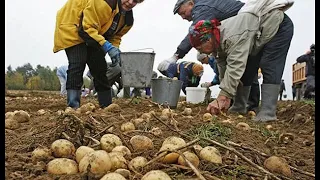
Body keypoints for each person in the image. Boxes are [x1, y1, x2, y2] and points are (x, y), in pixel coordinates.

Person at [188, 0, 294, 122]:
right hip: (256, 36)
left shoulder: (231, 36)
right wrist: (224, 96)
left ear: (207, 40)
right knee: (248, 70)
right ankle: (239, 106)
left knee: (269, 64)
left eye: (200, 48)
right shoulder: (217, 45)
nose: (201, 52)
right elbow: (224, 69)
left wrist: (224, 95)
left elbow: (236, 65)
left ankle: (268, 112)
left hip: (278, 27)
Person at [53, 0, 145, 109]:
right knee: (78, 63)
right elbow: (87, 28)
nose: (130, 2)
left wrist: (114, 48)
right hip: (73, 24)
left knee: (100, 67)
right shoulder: (104, 2)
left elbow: (115, 36)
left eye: (135, 1)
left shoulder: (127, 20)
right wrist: (107, 46)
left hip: (93, 32)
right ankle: (73, 107)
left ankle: (106, 105)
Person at [157, 0, 245, 73]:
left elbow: (195, 31)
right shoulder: (207, 4)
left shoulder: (202, 8)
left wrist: (176, 56)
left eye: (183, 13)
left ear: (191, 4)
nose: (183, 17)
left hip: (249, 25)